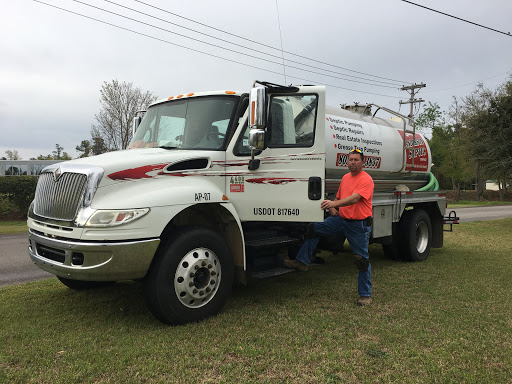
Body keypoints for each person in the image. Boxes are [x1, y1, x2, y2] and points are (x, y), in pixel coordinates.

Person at [283, 148, 374, 306]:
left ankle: (365, 295)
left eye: (356, 160)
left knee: (361, 260)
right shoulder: (346, 177)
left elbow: (354, 198)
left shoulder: (366, 179)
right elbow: (339, 196)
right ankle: (302, 262)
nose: (353, 162)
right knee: (314, 228)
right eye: (350, 160)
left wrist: (334, 204)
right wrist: (332, 208)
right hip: (341, 220)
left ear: (362, 162)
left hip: (358, 225)